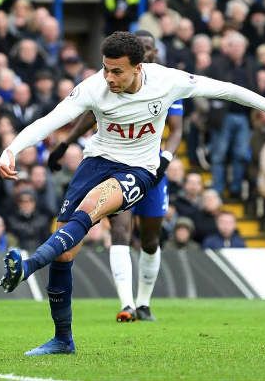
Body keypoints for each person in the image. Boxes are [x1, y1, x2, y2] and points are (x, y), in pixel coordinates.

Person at [0, 31, 265, 356]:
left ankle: (30, 265)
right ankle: (62, 339)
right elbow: (49, 121)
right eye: (105, 69)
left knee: (90, 210)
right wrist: (12, 149)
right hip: (96, 162)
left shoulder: (167, 81)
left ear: (138, 67)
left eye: (117, 71)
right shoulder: (93, 87)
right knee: (64, 253)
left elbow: (227, 90)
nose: (109, 77)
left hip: (139, 170)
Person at [46, 30, 183, 326]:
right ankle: (127, 304)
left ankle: (144, 302)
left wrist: (166, 159)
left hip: (151, 168)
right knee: (120, 230)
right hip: (116, 166)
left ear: (152, 54)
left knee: (149, 239)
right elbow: (91, 114)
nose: (146, 52)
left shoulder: (167, 84)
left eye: (149, 48)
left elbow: (178, 129)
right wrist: (66, 142)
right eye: (142, 47)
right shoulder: (112, 84)